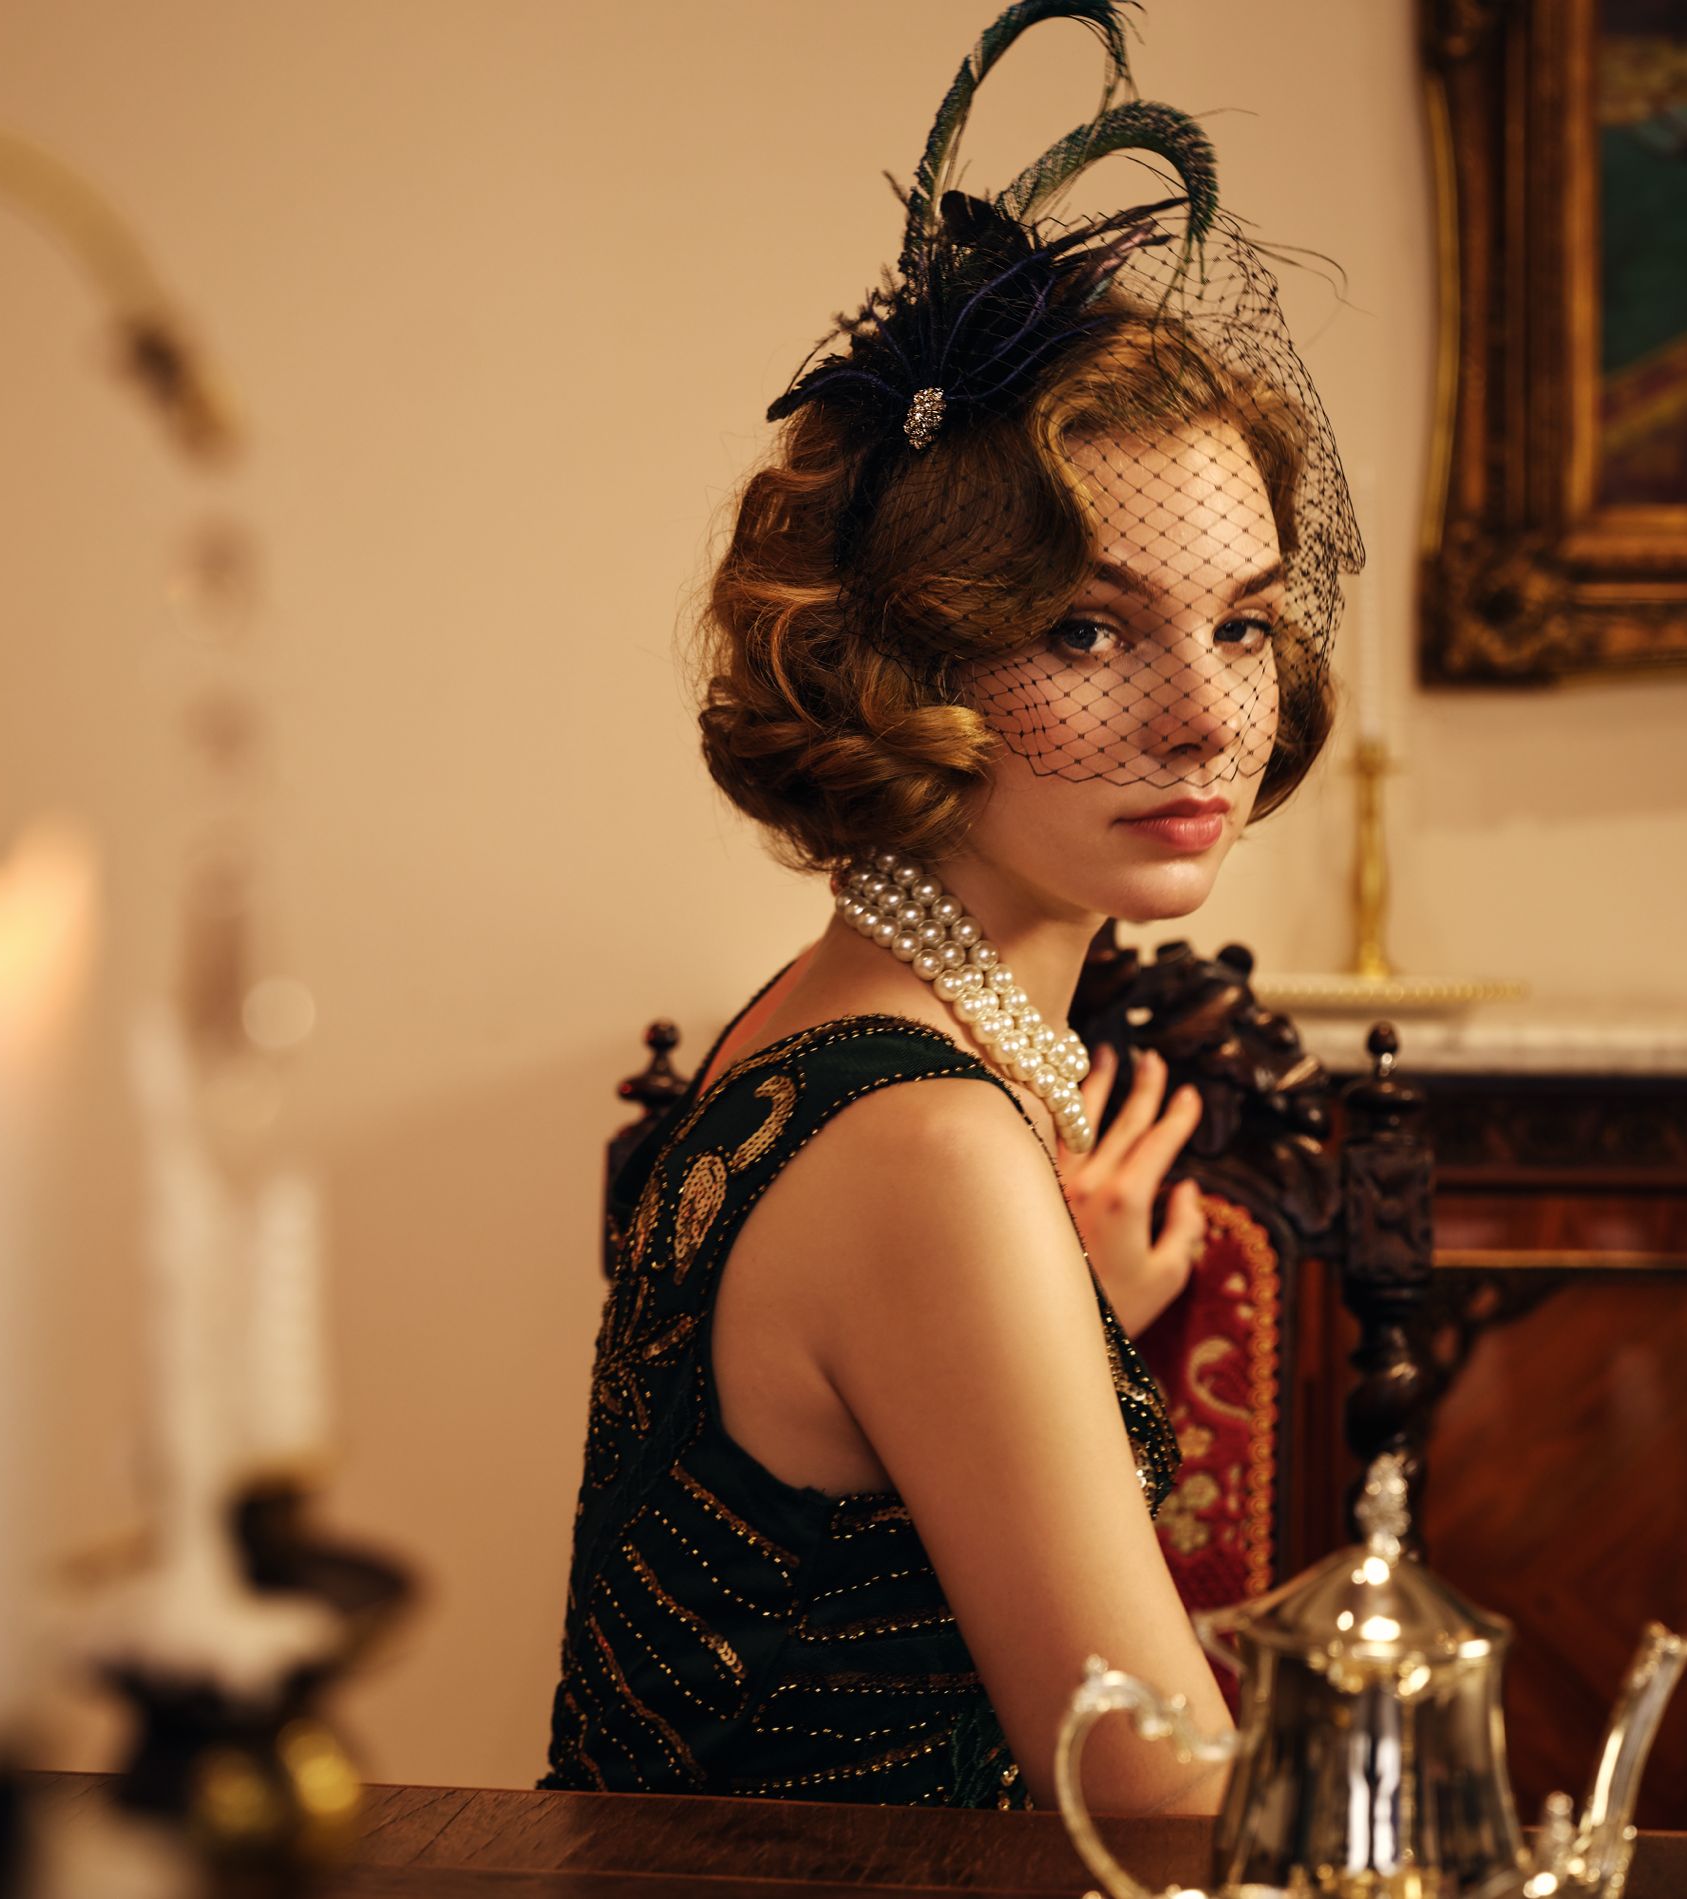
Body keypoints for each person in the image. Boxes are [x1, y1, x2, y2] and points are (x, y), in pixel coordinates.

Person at [541, 3, 1362, 1813]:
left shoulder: (832, 1021)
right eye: (1088, 628)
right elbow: (1160, 1802)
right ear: (913, 663)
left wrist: (1064, 1312)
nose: (1205, 714)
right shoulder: (926, 1144)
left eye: (1241, 622)